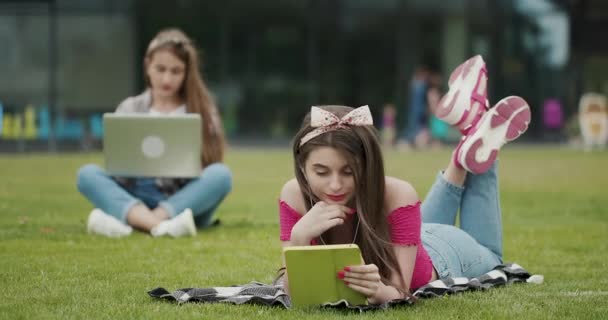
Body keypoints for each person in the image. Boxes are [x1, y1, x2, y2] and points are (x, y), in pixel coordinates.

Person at [277, 55, 531, 304]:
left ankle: (479, 139)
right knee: (416, 234)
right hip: (413, 237)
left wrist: (379, 291)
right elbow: (292, 293)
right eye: (321, 172)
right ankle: (468, 139)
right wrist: (298, 239)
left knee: (493, 257)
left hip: (446, 253)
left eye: (349, 172)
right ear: (302, 166)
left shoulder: (397, 194)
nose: (335, 185)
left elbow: (398, 292)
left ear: (368, 165)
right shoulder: (294, 194)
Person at [77, 28, 232, 238]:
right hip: (135, 192)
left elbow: (210, 167)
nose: (167, 78)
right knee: (87, 174)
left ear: (187, 73)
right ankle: (162, 226)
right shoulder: (129, 108)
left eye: (176, 71)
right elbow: (116, 166)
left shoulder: (202, 110)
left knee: (221, 175)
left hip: (183, 199)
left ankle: (135, 222)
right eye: (160, 69)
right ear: (148, 65)